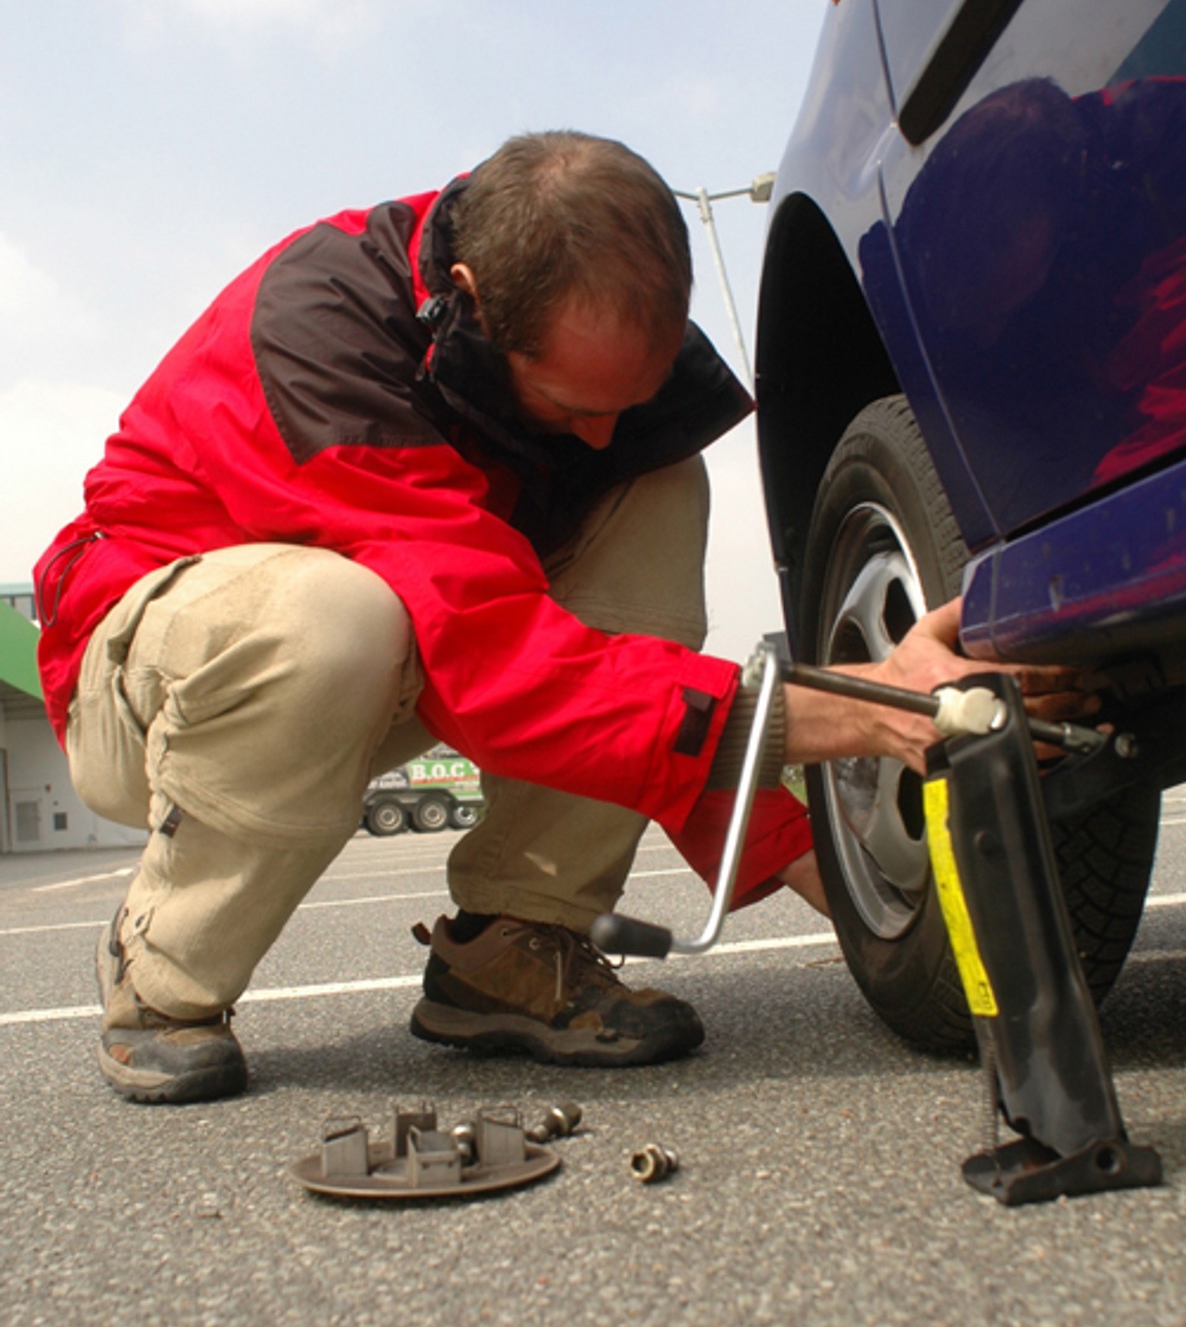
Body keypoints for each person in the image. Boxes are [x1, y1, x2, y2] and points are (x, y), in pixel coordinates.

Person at [34, 131, 1088, 1105]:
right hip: (152, 678)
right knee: (331, 619)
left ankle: (511, 945)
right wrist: (867, 710)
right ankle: (162, 968)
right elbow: (512, 677)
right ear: (469, 304)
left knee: (657, 481)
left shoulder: (577, 355)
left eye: (621, 402)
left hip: (409, 653)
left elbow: (617, 671)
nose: (596, 439)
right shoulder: (326, 346)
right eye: (576, 408)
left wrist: (837, 869)